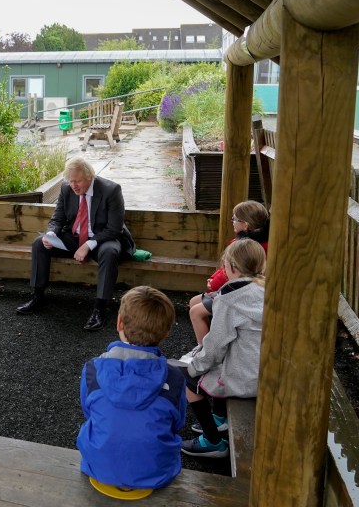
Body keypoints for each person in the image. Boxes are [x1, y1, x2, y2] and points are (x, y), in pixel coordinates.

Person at [78, 286, 185, 490]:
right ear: (166, 333)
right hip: (157, 473)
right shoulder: (175, 378)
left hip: (99, 466)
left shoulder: (93, 369)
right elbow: (177, 422)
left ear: (119, 323)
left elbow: (88, 410)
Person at [17, 156, 135, 331]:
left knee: (110, 252)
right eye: (71, 181)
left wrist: (88, 245)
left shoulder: (111, 190)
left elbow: (114, 229)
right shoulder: (66, 188)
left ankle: (100, 309)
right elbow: (58, 218)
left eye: (77, 181)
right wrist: (50, 234)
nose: (74, 185)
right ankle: (38, 296)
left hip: (103, 239)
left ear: (89, 177)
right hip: (74, 237)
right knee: (39, 244)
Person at [181, 240, 266, 458]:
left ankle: (212, 441)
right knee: (221, 362)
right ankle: (219, 417)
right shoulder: (264, 289)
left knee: (192, 382)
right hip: (264, 370)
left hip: (247, 379)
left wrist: (193, 367)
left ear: (232, 268)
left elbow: (215, 346)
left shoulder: (229, 298)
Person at [183, 201, 269, 358]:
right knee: (194, 302)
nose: (232, 222)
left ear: (246, 225)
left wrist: (213, 284)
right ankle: (209, 340)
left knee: (196, 312)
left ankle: (205, 352)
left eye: (235, 219)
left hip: (239, 292)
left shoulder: (245, 245)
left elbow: (233, 271)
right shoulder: (257, 242)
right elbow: (226, 268)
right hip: (241, 288)